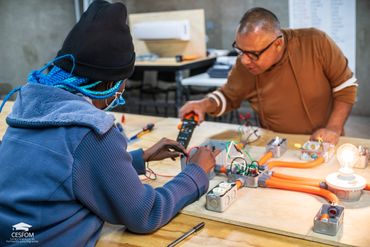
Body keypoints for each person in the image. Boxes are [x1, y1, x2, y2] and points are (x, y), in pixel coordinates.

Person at [0, 1, 218, 246]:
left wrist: (138, 158)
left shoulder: (28, 109)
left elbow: (63, 169)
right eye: (125, 81)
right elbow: (145, 213)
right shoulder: (90, 131)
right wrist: (196, 173)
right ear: (113, 84)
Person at [179, 7, 357, 145]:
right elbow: (228, 96)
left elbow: (345, 86)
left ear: (278, 44)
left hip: (323, 140)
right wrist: (203, 104)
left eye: (253, 54)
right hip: (276, 142)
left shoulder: (315, 42)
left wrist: (333, 128)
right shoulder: (245, 64)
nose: (245, 61)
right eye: (240, 51)